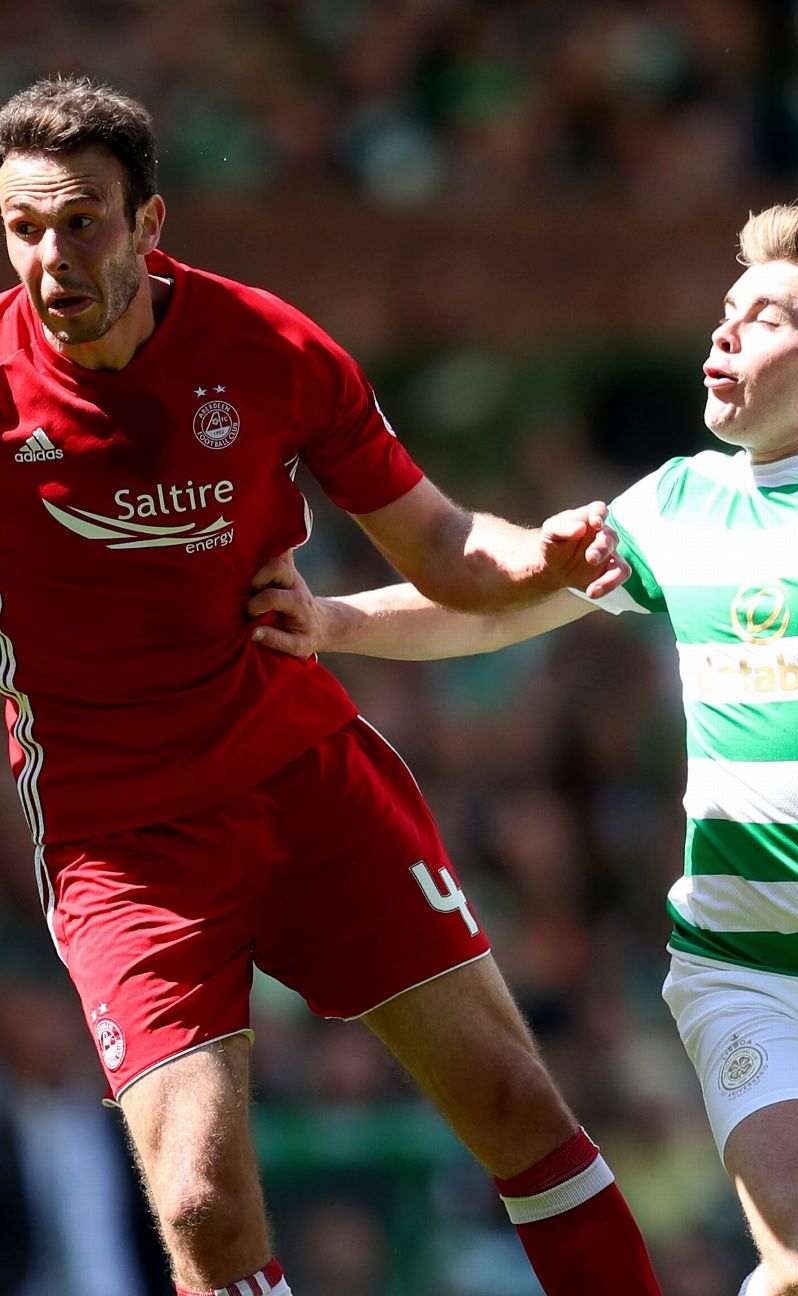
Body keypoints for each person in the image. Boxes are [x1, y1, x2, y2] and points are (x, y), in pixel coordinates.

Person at [0, 75, 664, 1296]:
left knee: (516, 1101)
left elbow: (448, 551)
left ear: (150, 224)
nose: (52, 256)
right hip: (122, 840)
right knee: (200, 1204)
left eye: (82, 220)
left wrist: (544, 555)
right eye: (25, 228)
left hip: (303, 774)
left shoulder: (269, 349)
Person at [252, 203, 798, 1296]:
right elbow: (495, 610)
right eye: (725, 312)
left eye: (765, 318)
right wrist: (336, 622)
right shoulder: (680, 502)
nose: (724, 335)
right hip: (759, 973)